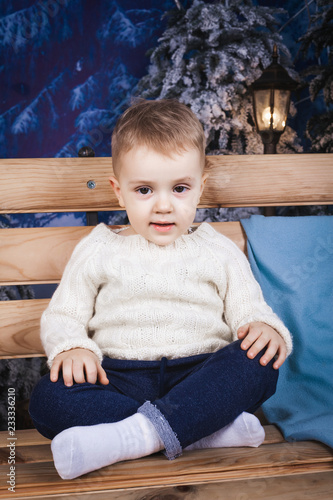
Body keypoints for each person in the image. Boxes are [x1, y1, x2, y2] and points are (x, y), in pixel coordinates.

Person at [29, 99, 292, 480]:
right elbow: (64, 315)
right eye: (144, 190)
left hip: (200, 376)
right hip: (118, 379)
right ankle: (200, 432)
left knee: (260, 363)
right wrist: (72, 347)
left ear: (200, 188)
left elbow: (248, 311)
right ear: (119, 192)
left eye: (180, 188)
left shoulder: (216, 249)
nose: (164, 205)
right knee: (47, 400)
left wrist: (263, 325)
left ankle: (135, 436)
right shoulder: (99, 248)